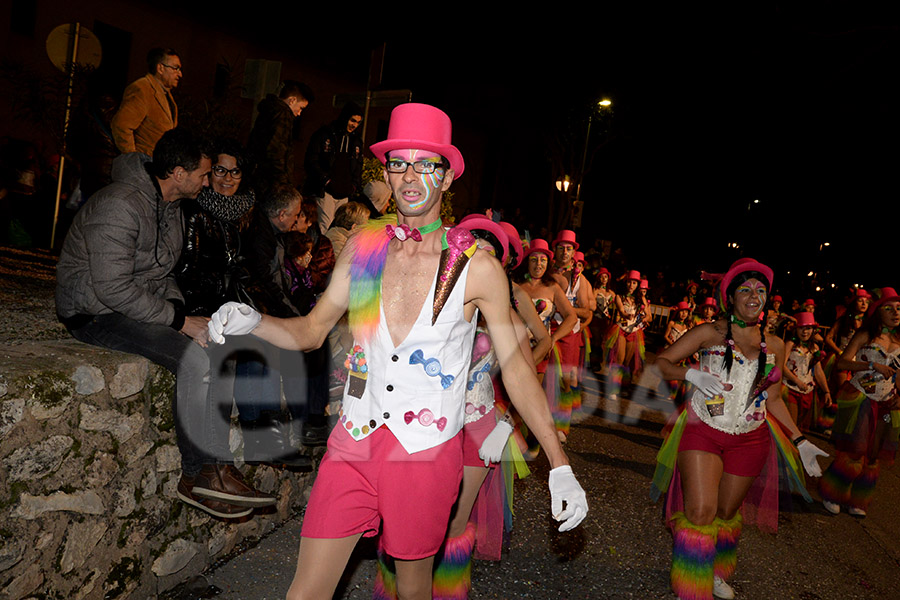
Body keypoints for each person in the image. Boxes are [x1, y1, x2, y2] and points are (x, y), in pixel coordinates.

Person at [208, 103, 587, 600]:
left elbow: (515, 369)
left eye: (424, 163)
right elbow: (311, 331)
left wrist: (559, 462)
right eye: (399, 163)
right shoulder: (364, 246)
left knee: (412, 589)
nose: (409, 177)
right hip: (353, 443)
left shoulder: (477, 267)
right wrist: (253, 321)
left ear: (447, 176)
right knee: (304, 592)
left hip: (426, 455)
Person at [56, 128, 274, 519]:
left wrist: (176, 308)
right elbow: (111, 288)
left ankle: (219, 466)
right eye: (205, 174)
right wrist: (177, 320)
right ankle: (196, 475)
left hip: (135, 305)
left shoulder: (168, 205)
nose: (209, 182)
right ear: (178, 172)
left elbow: (165, 272)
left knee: (220, 347)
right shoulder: (119, 205)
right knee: (193, 358)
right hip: (93, 312)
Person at [651, 258, 827, 600]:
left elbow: (774, 399)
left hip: (751, 439)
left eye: (760, 290)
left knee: (726, 513)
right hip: (704, 430)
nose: (753, 295)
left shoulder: (774, 345)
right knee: (700, 512)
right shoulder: (709, 332)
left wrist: (800, 440)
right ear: (730, 297)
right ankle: (691, 587)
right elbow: (660, 363)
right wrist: (691, 375)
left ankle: (713, 570)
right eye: (745, 289)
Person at [820, 287, 900, 518]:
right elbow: (842, 364)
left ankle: (859, 499)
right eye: (889, 308)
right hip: (861, 398)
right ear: (878, 312)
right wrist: (872, 366)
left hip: (886, 404)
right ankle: (833, 493)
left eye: (899, 308)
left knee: (873, 457)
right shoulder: (866, 335)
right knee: (854, 451)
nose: (896, 313)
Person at [516, 239, 578, 443]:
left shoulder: (552, 287)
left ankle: (526, 439)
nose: (539, 264)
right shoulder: (516, 285)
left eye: (543, 260)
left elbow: (571, 317)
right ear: (527, 262)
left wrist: (553, 338)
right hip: (513, 348)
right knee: (512, 394)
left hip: (539, 351)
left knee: (529, 394)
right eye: (534, 259)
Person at [304, 102, 366, 233]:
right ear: (345, 117)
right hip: (325, 191)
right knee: (325, 228)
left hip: (344, 192)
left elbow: (358, 166)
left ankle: (332, 252)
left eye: (358, 122)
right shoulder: (325, 134)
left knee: (340, 229)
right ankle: (323, 252)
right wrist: (325, 181)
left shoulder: (356, 141)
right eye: (352, 120)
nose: (354, 125)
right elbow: (311, 160)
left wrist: (353, 186)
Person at [246, 80, 314, 194]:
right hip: (270, 182)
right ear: (292, 100)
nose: (299, 113)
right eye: (301, 108)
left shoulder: (270, 111)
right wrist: (283, 182)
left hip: (260, 177)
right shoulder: (283, 115)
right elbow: (276, 150)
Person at [111, 48, 181, 156]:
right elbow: (121, 126)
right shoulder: (142, 89)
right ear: (160, 68)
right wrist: (133, 159)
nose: (179, 74)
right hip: (143, 164)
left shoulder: (166, 95)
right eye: (175, 68)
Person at [782, 312, 830, 432]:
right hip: (790, 388)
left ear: (813, 330)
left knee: (799, 426)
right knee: (791, 426)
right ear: (795, 330)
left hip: (807, 391)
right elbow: (781, 366)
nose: (804, 332)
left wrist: (826, 391)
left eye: (808, 328)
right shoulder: (790, 344)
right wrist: (796, 381)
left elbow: (818, 371)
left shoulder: (814, 348)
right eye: (801, 328)